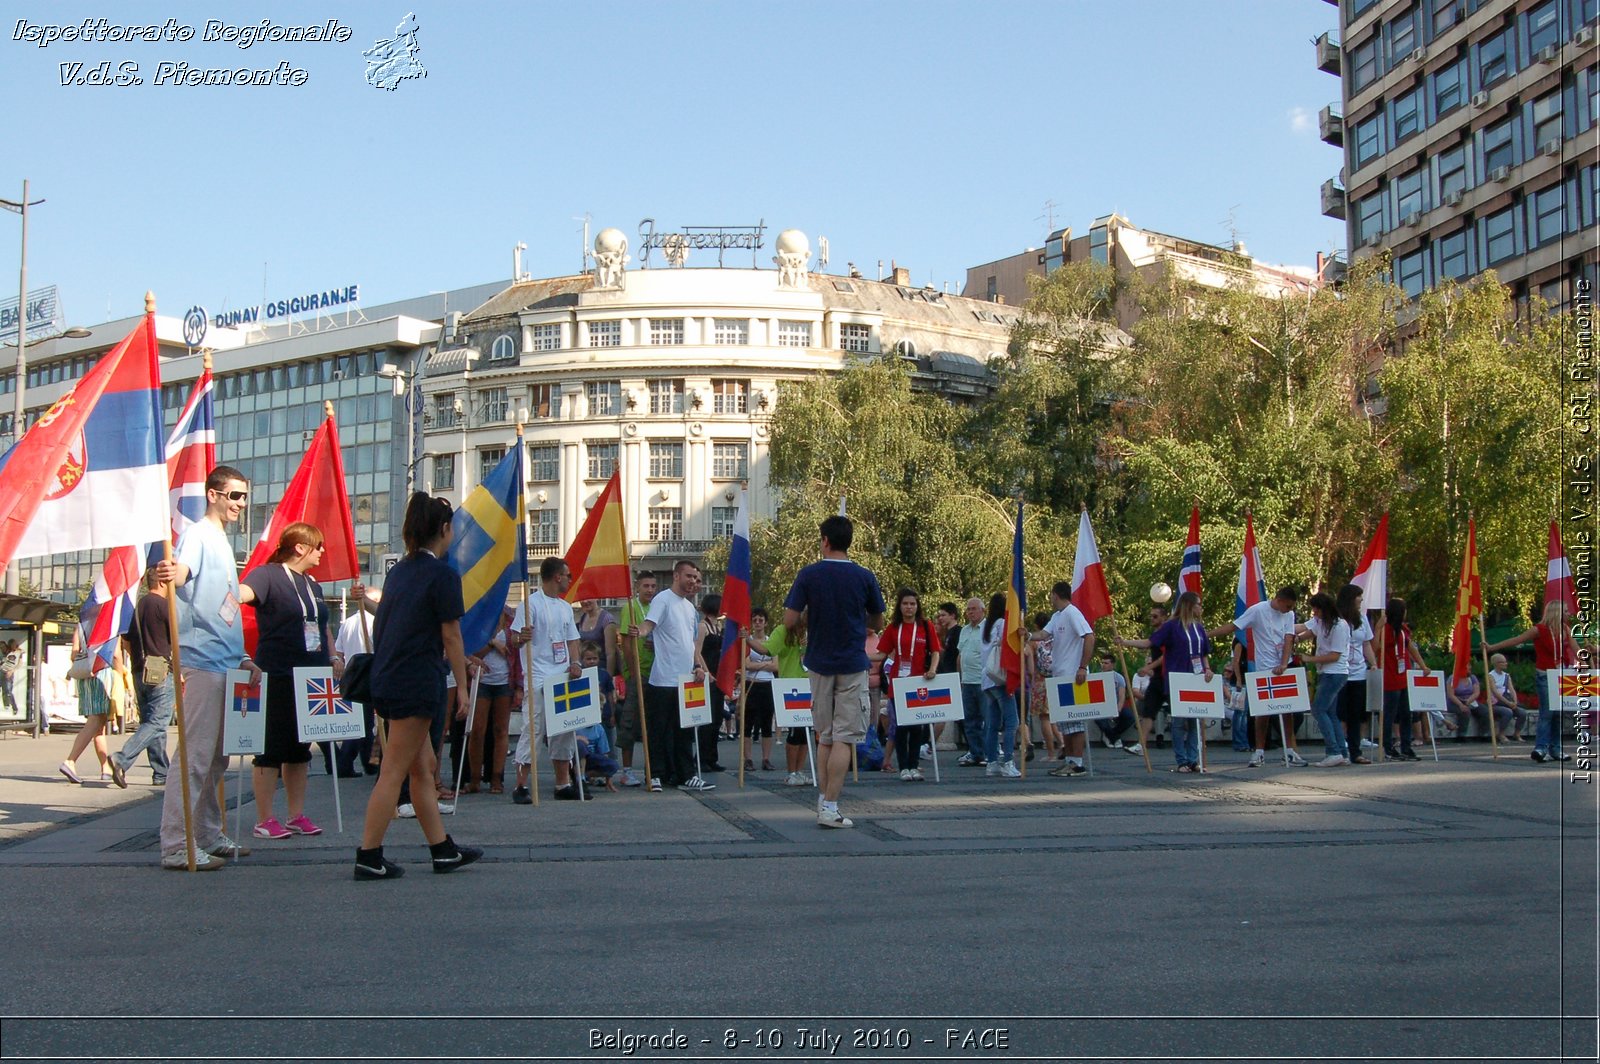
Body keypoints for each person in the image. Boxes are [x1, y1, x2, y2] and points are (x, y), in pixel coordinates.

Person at [354, 492, 480, 880]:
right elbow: (452, 634)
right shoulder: (441, 573)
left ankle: (442, 849)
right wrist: (461, 685)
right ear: (443, 530)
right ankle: (368, 854)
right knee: (394, 770)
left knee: (422, 767)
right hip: (415, 679)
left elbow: (384, 626)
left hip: (390, 676)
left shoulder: (399, 571)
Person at [150, 465, 260, 870]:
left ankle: (207, 834)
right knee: (195, 757)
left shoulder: (221, 542)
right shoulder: (197, 534)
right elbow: (180, 572)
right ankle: (176, 844)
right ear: (212, 495)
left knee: (216, 759)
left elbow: (224, 610)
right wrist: (170, 572)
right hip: (203, 662)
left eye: (244, 497)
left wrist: (244, 656)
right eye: (233, 496)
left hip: (225, 661)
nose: (240, 504)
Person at [783, 515, 885, 828]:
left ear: (825, 540)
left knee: (825, 736)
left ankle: (823, 801)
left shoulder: (809, 574)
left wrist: (812, 618)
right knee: (845, 737)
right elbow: (878, 621)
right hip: (853, 663)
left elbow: (789, 620)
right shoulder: (864, 576)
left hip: (818, 662)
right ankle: (830, 804)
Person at [241, 522, 334, 839]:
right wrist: (224, 584)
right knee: (270, 747)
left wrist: (333, 658)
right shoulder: (267, 575)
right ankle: (264, 818)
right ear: (300, 547)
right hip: (277, 674)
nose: (322, 552)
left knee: (300, 749)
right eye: (318, 546)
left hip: (311, 675)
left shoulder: (313, 585)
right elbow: (243, 594)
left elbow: (323, 628)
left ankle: (296, 814)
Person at [632, 559, 714, 792]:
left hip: (686, 679)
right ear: (676, 576)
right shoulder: (663, 599)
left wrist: (698, 666)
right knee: (658, 729)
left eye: (696, 578)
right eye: (689, 576)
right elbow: (650, 624)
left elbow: (690, 645)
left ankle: (685, 774)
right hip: (663, 679)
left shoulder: (689, 608)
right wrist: (640, 631)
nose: (693, 582)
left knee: (685, 730)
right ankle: (655, 774)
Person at [511, 557, 586, 801]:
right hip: (537, 674)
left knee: (564, 728)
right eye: (568, 576)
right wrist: (521, 637)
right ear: (557, 577)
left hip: (561, 674)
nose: (569, 580)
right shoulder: (530, 604)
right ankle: (521, 785)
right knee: (533, 727)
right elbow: (513, 638)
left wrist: (575, 663)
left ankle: (562, 784)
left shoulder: (565, 607)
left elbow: (572, 639)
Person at [1208, 586, 1306, 768]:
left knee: (1288, 710)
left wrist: (1284, 664)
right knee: (1263, 712)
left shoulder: (1289, 615)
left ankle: (1290, 751)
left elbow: (1288, 639)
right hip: (1264, 668)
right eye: (1288, 606)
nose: (1289, 610)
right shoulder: (1258, 610)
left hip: (1283, 667)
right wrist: (1207, 634)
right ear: (1280, 600)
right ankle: (1258, 751)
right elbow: (1234, 626)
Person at [1486, 600, 1579, 763]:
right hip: (1545, 675)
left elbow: (1576, 648)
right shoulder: (1539, 629)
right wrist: (1492, 647)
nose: (1568, 614)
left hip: (1562, 676)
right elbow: (1517, 640)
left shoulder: (1565, 630)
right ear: (1556, 612)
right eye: (1565, 611)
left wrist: (1586, 660)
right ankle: (1541, 748)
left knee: (1558, 713)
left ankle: (1556, 748)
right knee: (1547, 712)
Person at [108, 570, 174, 788]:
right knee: (158, 721)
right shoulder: (165, 606)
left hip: (139, 668)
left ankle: (160, 772)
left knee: (151, 723)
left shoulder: (136, 608)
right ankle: (121, 758)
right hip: (162, 668)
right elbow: (177, 639)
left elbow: (125, 642)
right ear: (164, 582)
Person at [1137, 591, 1214, 772]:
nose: (1200, 608)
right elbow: (1150, 642)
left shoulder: (1199, 628)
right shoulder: (1172, 626)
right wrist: (1125, 642)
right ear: (1189, 605)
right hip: (1178, 678)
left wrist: (1208, 669)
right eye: (1198, 605)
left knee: (1195, 720)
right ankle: (1182, 760)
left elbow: (1203, 653)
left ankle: (1193, 758)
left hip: (1195, 677)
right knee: (1179, 721)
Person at [872, 588, 941, 782]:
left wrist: (933, 670)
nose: (909, 607)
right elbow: (881, 653)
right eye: (905, 604)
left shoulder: (925, 626)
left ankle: (913, 765)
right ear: (899, 606)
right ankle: (904, 767)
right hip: (899, 683)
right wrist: (858, 656)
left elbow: (935, 651)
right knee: (901, 727)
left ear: (917, 606)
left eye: (912, 604)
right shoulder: (894, 627)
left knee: (917, 727)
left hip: (919, 682)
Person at [1036, 581, 1094, 778]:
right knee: (1065, 723)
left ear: (1055, 595)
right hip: (1059, 676)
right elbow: (1043, 633)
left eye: (1051, 595)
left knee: (1074, 722)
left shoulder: (1072, 612)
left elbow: (1089, 636)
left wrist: (1082, 667)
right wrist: (1025, 635)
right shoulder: (1057, 616)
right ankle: (1070, 760)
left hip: (1072, 675)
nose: (1050, 598)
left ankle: (1077, 763)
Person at [462, 606, 516, 794]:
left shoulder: (511, 618)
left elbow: (514, 652)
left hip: (504, 681)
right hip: (481, 680)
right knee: (477, 730)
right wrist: (492, 641)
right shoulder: (479, 616)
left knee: (501, 730)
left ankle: (496, 778)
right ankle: (475, 778)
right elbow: (471, 652)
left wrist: (519, 685)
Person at [754, 608, 811, 786]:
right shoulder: (782, 631)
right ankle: (791, 772)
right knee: (795, 731)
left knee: (806, 732)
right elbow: (766, 649)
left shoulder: (814, 630)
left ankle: (800, 771)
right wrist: (746, 639)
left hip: (811, 683)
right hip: (792, 685)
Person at [612, 572, 658, 788]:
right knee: (629, 723)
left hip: (657, 673)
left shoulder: (657, 608)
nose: (650, 590)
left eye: (653, 586)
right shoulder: (629, 608)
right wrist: (633, 673)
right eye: (646, 586)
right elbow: (627, 643)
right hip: (637, 675)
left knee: (652, 724)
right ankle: (627, 771)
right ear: (637, 587)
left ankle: (653, 770)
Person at [1296, 591, 1351, 768]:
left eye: (1317, 610)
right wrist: (1293, 639)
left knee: (1318, 709)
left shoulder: (1339, 626)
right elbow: (1307, 633)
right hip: (1326, 672)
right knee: (1330, 712)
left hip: (1335, 672)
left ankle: (1333, 751)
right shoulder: (1321, 623)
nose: (1315, 614)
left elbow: (1334, 655)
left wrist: (1309, 659)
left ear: (1325, 609)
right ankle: (1342, 752)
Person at [331, 588, 381, 777]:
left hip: (354, 674)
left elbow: (339, 651)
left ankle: (366, 762)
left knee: (362, 721)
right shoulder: (375, 620)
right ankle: (354, 762)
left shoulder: (348, 622)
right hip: (369, 672)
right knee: (367, 723)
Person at [59, 631, 117, 784]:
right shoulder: (108, 622)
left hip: (84, 674)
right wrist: (121, 674)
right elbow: (115, 654)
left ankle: (105, 768)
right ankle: (70, 761)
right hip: (101, 673)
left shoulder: (81, 625)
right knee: (96, 720)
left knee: (98, 726)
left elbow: (74, 653)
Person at [1378, 596, 1430, 761]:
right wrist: (1378, 628)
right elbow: (1375, 647)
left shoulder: (1403, 630)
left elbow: (1410, 647)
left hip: (1403, 676)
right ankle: (1387, 746)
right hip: (1390, 676)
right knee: (1390, 714)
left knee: (1407, 713)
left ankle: (1406, 746)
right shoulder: (1385, 629)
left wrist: (1423, 665)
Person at [977, 593, 1022, 778]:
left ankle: (992, 761)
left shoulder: (984, 626)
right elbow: (1010, 645)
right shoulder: (1003, 624)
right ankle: (1008, 760)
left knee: (992, 723)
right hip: (1001, 678)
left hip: (987, 678)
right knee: (1012, 722)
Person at [1334, 584, 1376, 765]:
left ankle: (1355, 752)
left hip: (1358, 673)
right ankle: (1338, 750)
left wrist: (1373, 663)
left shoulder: (1363, 618)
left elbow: (1366, 643)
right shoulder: (1335, 618)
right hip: (1339, 671)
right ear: (1350, 598)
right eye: (1359, 596)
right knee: (1339, 713)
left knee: (1356, 715)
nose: (1361, 600)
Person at [742, 608, 778, 772]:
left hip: (768, 685)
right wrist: (765, 665)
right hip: (751, 684)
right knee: (747, 723)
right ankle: (748, 759)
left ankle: (766, 759)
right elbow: (746, 664)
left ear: (766, 623)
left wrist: (759, 665)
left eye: (760, 620)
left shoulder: (771, 641)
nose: (757, 623)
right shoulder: (747, 642)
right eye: (755, 620)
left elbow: (776, 666)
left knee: (766, 723)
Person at [953, 598, 987, 767]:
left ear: (983, 611)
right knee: (970, 720)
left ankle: (989, 752)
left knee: (987, 719)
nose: (971, 612)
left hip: (984, 681)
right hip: (967, 681)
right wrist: (960, 678)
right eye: (968, 609)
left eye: (974, 609)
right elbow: (960, 655)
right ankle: (975, 752)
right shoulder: (965, 630)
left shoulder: (989, 629)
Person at [695, 594, 728, 768]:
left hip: (719, 676)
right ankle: (701, 758)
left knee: (716, 719)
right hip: (708, 676)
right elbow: (697, 651)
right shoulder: (703, 626)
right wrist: (707, 672)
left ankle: (711, 757)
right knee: (707, 720)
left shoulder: (718, 626)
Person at [1487, 654, 1523, 741]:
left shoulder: (1506, 675)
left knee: (1522, 713)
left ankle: (1517, 733)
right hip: (1495, 703)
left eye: (1505, 661)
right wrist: (1508, 703)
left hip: (1508, 701)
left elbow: (1512, 689)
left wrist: (1514, 701)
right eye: (1502, 662)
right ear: (1496, 663)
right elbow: (1495, 692)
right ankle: (1501, 734)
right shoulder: (1490, 675)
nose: (1505, 663)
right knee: (1507, 712)